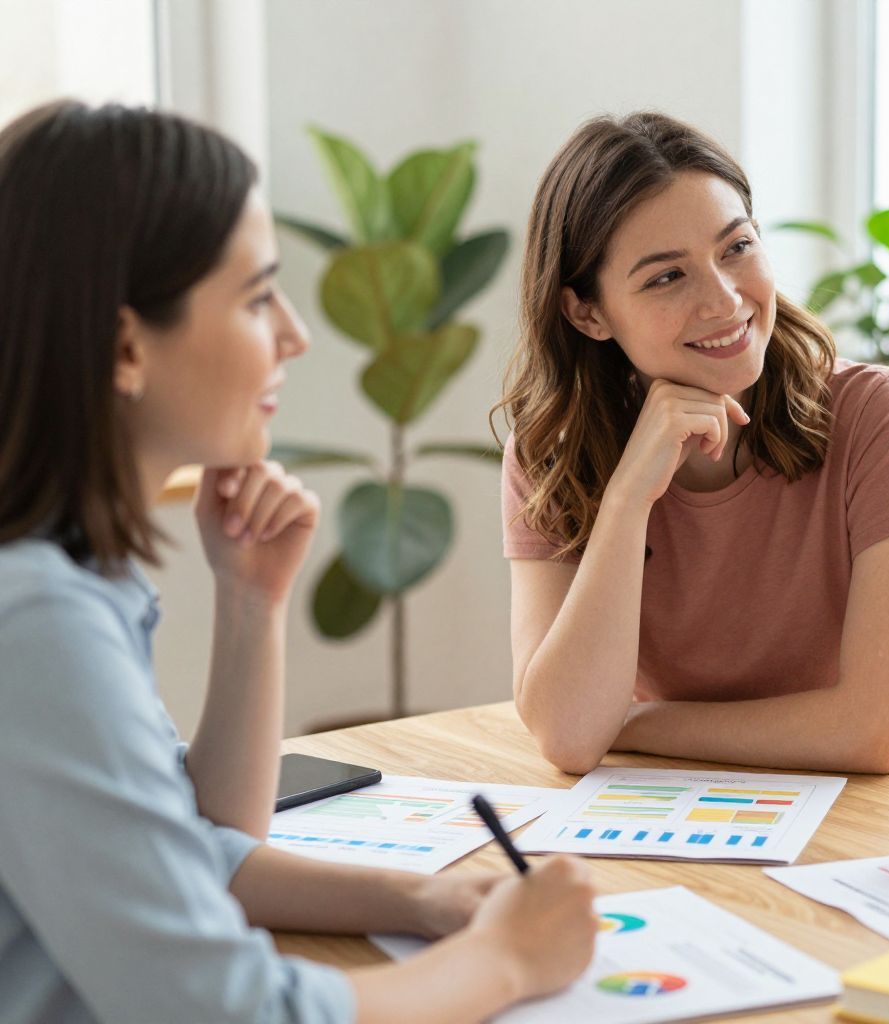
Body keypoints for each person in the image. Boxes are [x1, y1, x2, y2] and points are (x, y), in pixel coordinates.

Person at [0, 100, 596, 1024]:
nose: (294, 333)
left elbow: (198, 843)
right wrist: (505, 965)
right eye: (255, 297)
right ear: (125, 347)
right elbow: (227, 1012)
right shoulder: (36, 620)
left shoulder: (73, 579)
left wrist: (252, 603)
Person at [497, 112, 889, 776]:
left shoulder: (878, 417)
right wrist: (628, 496)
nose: (723, 300)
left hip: (854, 820)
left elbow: (871, 734)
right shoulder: (551, 453)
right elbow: (571, 736)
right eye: (666, 277)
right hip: (657, 813)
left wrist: (639, 724)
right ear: (587, 312)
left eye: (736, 248)